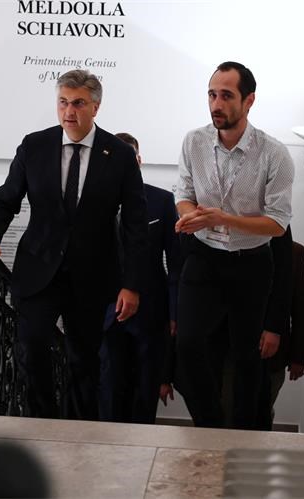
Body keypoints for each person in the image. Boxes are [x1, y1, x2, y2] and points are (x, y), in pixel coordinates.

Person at [0, 70, 148, 421]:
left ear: (96, 107)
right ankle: (42, 426)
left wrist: (131, 284)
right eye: (63, 102)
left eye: (78, 103)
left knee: (84, 362)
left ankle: (78, 433)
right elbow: (6, 199)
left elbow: (136, 224)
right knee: (31, 349)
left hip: (91, 275)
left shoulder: (119, 155)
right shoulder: (34, 146)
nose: (69, 111)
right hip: (38, 268)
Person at [173, 61, 294, 429]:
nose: (216, 104)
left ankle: (242, 433)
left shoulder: (274, 153)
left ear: (249, 100)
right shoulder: (193, 141)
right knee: (187, 343)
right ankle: (209, 424)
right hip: (204, 257)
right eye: (212, 95)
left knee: (246, 356)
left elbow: (277, 224)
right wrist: (191, 216)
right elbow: (183, 193)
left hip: (251, 263)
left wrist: (223, 219)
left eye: (226, 96)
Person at [98, 132, 181, 424]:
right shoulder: (94, 200)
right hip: (106, 313)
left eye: (129, 157)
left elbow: (176, 263)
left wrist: (174, 312)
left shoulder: (162, 200)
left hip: (151, 313)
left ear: (139, 160)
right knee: (108, 393)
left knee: (145, 395)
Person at [257, 236, 304, 430]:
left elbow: (300, 306)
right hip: (232, 350)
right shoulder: (233, 248)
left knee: (262, 411)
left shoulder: (295, 252)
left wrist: (299, 358)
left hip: (274, 355)